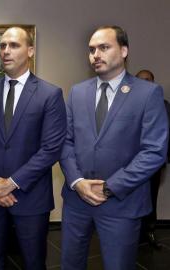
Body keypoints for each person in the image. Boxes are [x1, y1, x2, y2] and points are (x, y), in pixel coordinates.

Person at [60, 26, 168, 270]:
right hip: (77, 201)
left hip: (122, 202)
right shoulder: (77, 92)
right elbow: (65, 142)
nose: (95, 54)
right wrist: (77, 181)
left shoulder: (148, 93)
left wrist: (109, 187)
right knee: (69, 264)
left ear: (124, 50)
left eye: (104, 47)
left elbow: (154, 152)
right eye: (91, 50)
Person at [0, 26, 67, 270]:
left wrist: (11, 183)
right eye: (2, 46)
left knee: (33, 263)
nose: (6, 51)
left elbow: (51, 149)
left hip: (30, 196)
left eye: (13, 45)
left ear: (30, 50)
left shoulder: (50, 94)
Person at [136, 69, 170, 249]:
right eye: (140, 80)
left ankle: (150, 231)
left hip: (155, 164)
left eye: (148, 80)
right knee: (133, 198)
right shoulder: (128, 104)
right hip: (131, 164)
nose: (145, 83)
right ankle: (134, 234)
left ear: (154, 82)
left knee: (151, 197)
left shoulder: (164, 105)